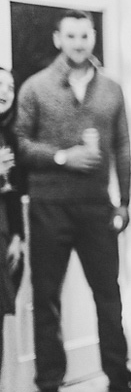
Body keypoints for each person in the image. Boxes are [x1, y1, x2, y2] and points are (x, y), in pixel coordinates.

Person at [15, 10, 131, 392]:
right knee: (47, 300)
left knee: (109, 297)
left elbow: (123, 146)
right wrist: (62, 157)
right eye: (71, 36)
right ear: (58, 39)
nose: (78, 43)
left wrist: (124, 202)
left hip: (97, 207)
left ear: (92, 39)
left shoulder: (111, 89)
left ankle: (118, 380)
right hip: (47, 207)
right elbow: (20, 144)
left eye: (84, 36)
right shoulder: (34, 87)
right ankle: (49, 383)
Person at [0, 67, 25, 379]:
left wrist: (18, 236)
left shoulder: (9, 136)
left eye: (10, 86)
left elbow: (13, 192)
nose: (4, 91)